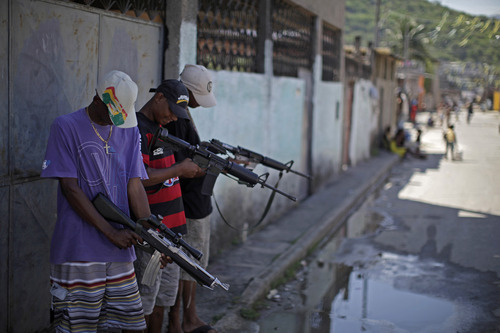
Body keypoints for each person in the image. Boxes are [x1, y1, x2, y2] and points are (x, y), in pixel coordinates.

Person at [41, 70, 151, 332]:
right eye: (116, 112)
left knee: (128, 325)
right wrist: (111, 232)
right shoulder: (65, 126)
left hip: (120, 251)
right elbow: (70, 188)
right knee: (77, 326)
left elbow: (134, 184)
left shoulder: (128, 129)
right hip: (78, 249)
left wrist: (153, 233)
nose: (119, 120)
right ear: (99, 100)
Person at [134, 79, 203, 332]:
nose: (173, 118)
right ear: (159, 97)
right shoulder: (139, 128)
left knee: (163, 299)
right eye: (171, 111)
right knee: (144, 303)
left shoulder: (164, 128)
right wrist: (179, 169)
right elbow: (138, 177)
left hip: (174, 232)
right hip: (153, 232)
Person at [166, 64, 217, 333]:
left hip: (197, 200)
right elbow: (177, 161)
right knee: (188, 266)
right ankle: (183, 320)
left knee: (193, 265)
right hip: (187, 202)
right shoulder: (176, 116)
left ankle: (186, 319)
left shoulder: (184, 113)